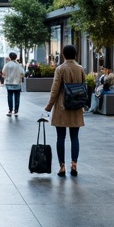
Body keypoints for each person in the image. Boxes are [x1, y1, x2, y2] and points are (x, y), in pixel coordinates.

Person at [42, 43, 85, 176]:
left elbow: (55, 89)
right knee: (75, 137)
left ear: (63, 54)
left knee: (60, 137)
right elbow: (84, 86)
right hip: (76, 106)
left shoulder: (60, 69)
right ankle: (74, 165)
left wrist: (49, 105)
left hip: (62, 107)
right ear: (75, 55)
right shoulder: (80, 68)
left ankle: (62, 167)